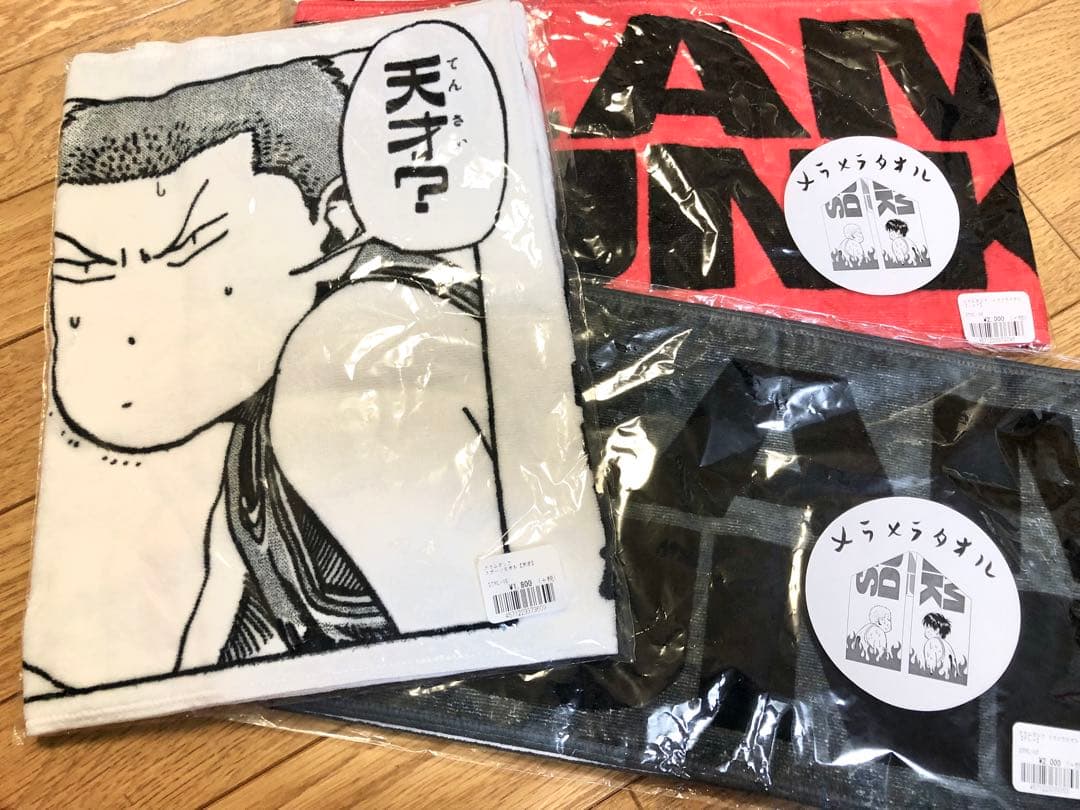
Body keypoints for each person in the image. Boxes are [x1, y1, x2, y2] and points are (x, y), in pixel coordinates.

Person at [27, 56, 498, 691]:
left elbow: (497, 663)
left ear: (336, 223)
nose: (129, 320)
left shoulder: (347, 346)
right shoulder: (257, 442)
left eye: (187, 248)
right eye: (84, 267)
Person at [922, 611, 956, 677]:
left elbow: (931, 665)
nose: (925, 631)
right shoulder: (946, 644)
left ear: (937, 630)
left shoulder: (932, 642)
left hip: (939, 675)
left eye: (927, 627)